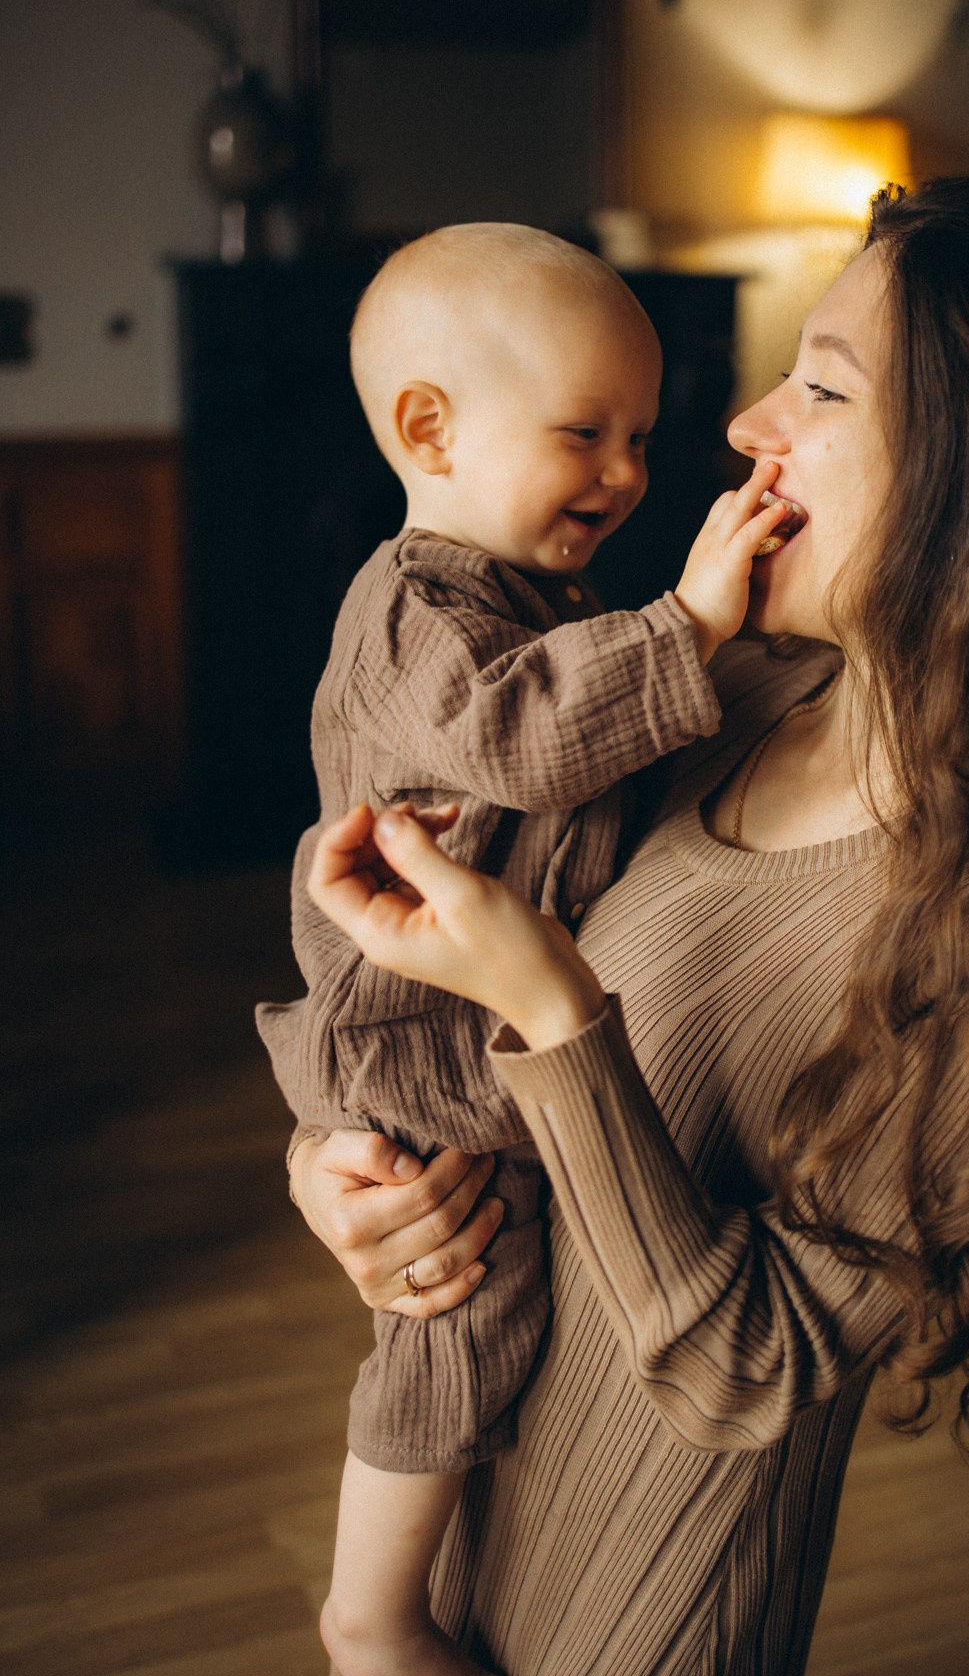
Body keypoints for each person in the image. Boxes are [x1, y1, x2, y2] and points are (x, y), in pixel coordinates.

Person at [290, 179, 969, 1676]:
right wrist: (350, 1179)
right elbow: (431, 1000)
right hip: (454, 1484)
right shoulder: (716, 700)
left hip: (641, 1614)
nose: (747, 423)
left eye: (819, 383)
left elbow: (753, 1366)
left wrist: (558, 1014)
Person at [257, 222, 799, 1676]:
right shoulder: (415, 615)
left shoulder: (543, 601)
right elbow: (529, 734)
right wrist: (686, 622)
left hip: (480, 1048)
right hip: (414, 1052)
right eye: (584, 433)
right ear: (427, 428)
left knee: (503, 1315)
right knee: (462, 1305)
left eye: (637, 436)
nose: (625, 476)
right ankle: (369, 1614)